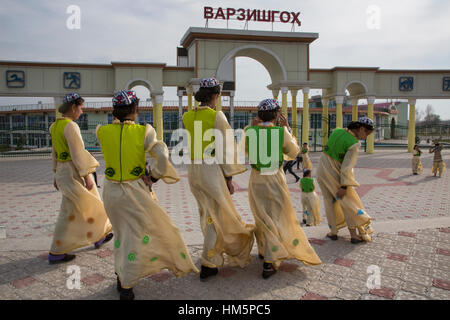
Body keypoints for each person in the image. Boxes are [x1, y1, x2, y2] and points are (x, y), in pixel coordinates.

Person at [97, 90, 198, 300]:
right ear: (135, 109)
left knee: (121, 234)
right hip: (134, 192)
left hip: (111, 192)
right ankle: (127, 284)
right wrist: (154, 177)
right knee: (139, 235)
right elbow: (162, 154)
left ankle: (121, 273)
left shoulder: (101, 131)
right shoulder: (144, 131)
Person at [182, 77, 255, 281]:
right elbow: (226, 149)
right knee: (216, 217)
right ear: (215, 96)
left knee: (206, 213)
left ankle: (211, 252)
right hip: (210, 169)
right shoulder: (217, 117)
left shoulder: (187, 116)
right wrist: (229, 177)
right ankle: (209, 261)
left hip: (194, 170)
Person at [244, 98, 322, 279]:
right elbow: (295, 152)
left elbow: (248, 151)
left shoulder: (249, 131)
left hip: (256, 179)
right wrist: (287, 129)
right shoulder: (280, 132)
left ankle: (264, 249)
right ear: (277, 115)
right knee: (276, 217)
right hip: (274, 179)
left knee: (262, 217)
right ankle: (270, 261)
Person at [49, 93, 113, 264]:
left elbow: (54, 153)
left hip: (63, 172)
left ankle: (98, 237)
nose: (82, 112)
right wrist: (87, 176)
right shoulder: (71, 127)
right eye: (81, 108)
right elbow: (78, 154)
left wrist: (55, 174)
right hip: (74, 172)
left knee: (75, 209)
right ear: (73, 107)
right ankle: (57, 251)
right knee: (91, 205)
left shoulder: (54, 126)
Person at [316, 116, 375, 244]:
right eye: (366, 133)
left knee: (329, 201)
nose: (365, 137)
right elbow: (346, 168)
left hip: (321, 171)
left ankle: (333, 232)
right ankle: (354, 235)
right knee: (348, 203)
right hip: (335, 174)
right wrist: (344, 186)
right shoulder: (354, 144)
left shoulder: (337, 131)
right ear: (361, 128)